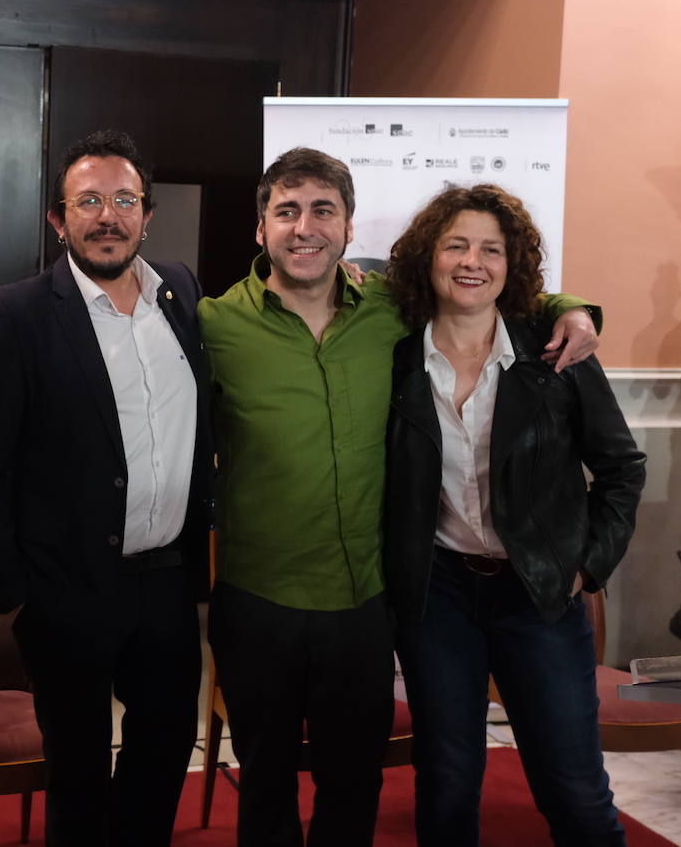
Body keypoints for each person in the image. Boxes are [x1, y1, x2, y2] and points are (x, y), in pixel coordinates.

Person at [198, 148, 600, 846]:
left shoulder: (392, 310)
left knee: (352, 785)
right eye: (286, 211)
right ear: (259, 228)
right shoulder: (212, 324)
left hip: (364, 601)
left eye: (323, 210)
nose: (304, 227)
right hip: (257, 598)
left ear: (349, 227)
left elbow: (487, 291)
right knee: (264, 784)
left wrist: (573, 308)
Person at [0, 129, 211, 845]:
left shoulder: (181, 293)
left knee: (164, 756)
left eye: (124, 200)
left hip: (165, 585)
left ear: (147, 215)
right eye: (89, 201)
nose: (108, 216)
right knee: (77, 774)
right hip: (65, 590)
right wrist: (15, 593)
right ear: (58, 219)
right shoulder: (12, 317)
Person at [383, 183, 644, 846]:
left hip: (540, 595)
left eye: (491, 249)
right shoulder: (395, 355)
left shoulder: (556, 351)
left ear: (512, 262)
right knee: (445, 783)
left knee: (575, 792)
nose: (473, 262)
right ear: (428, 257)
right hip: (439, 595)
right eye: (456, 245)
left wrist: (588, 567)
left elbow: (621, 467)